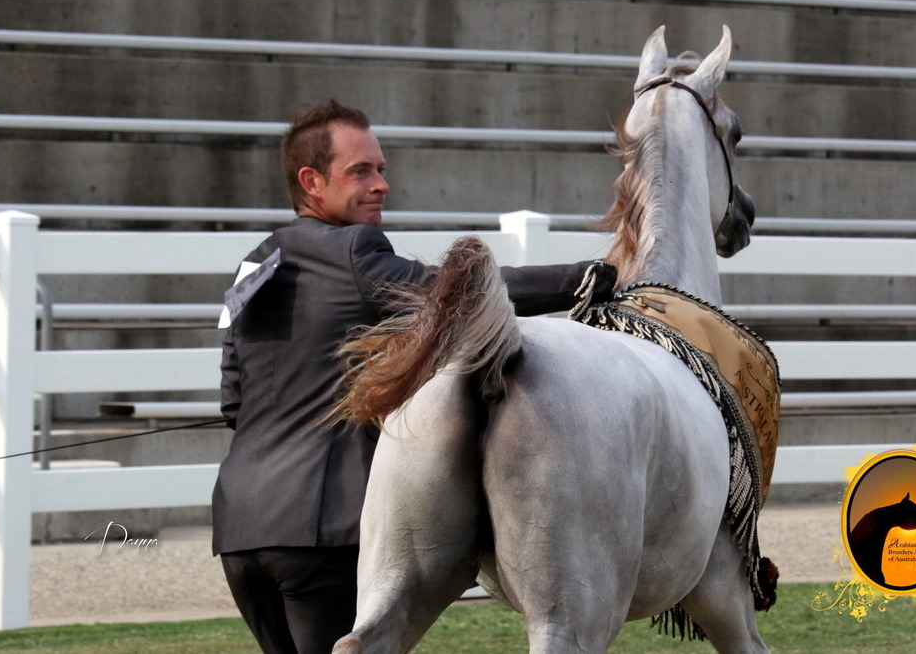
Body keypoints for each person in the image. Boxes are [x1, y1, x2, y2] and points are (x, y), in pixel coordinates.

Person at [212, 100, 615, 653]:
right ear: (311, 181)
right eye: (361, 171)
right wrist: (589, 278)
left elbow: (234, 403)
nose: (381, 184)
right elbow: (459, 292)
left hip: (240, 531)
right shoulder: (355, 250)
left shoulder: (253, 265)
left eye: (381, 169)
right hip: (323, 528)